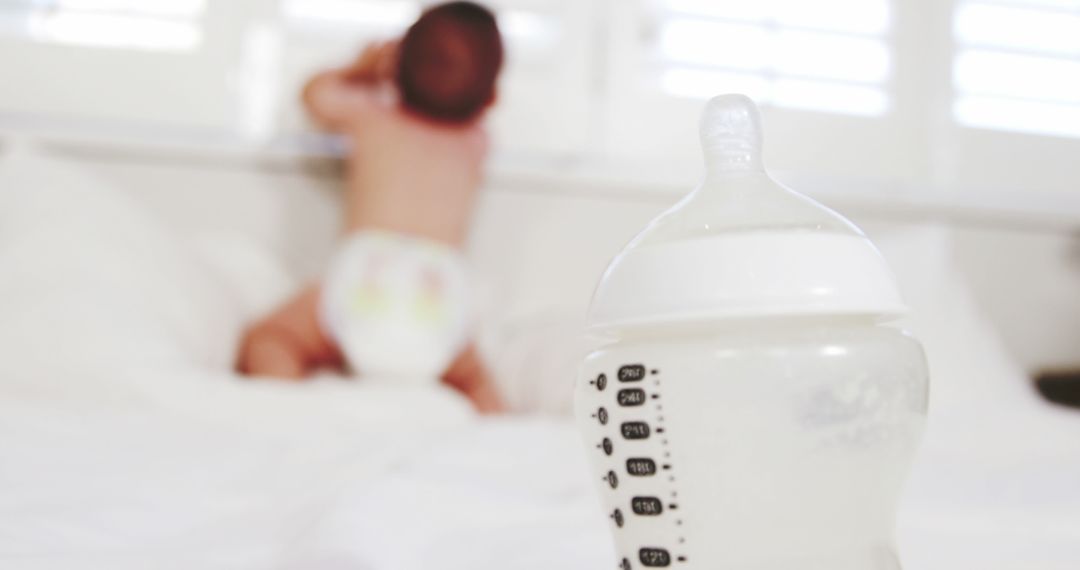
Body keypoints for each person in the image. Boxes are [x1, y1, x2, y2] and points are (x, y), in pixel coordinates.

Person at [235, 2, 504, 413]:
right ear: (490, 95)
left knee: (271, 339)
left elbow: (314, 95)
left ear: (396, 66)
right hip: (437, 297)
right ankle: (500, 426)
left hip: (365, 278)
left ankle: (282, 408)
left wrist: (360, 69)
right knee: (476, 379)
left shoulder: (372, 117)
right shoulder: (477, 143)